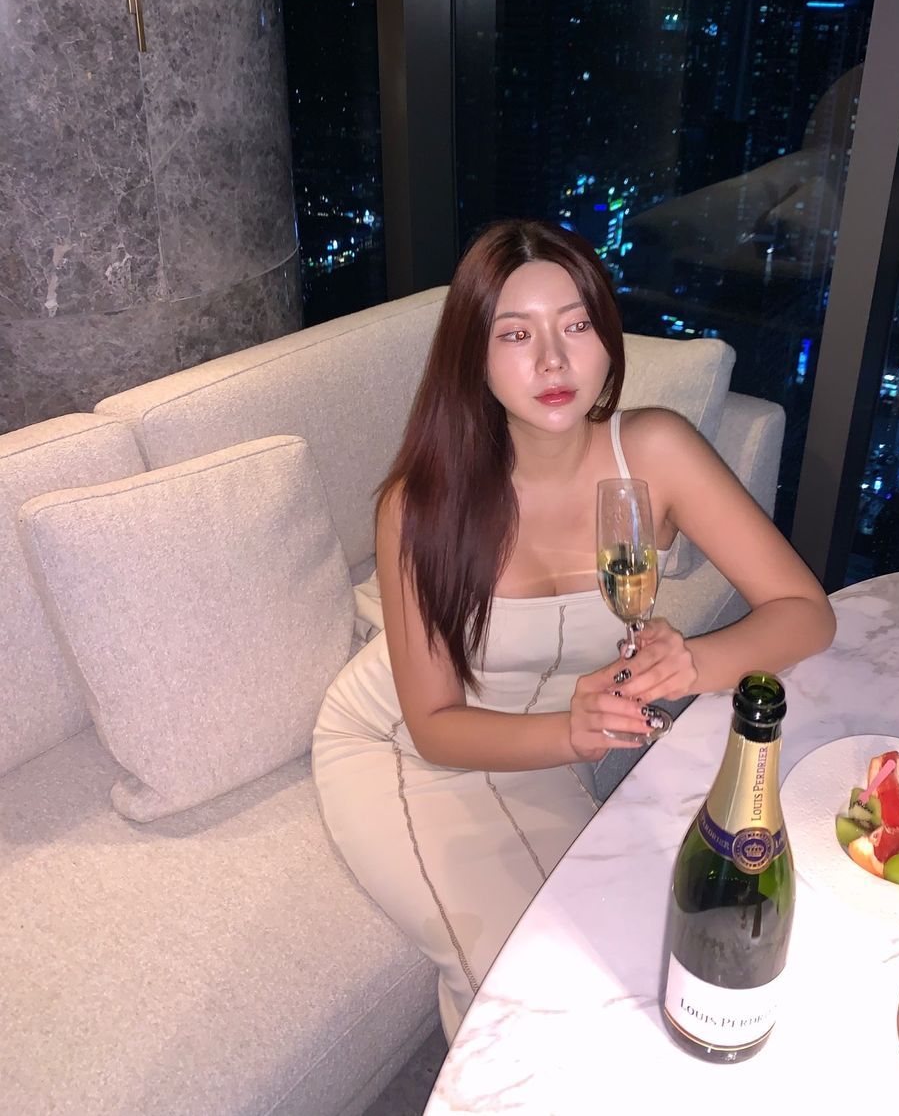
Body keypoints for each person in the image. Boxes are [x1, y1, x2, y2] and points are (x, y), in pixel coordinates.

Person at [312, 219, 835, 1041]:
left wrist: (691, 663)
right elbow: (434, 726)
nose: (553, 361)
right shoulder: (420, 505)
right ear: (474, 358)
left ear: (607, 336)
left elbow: (806, 611)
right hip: (405, 751)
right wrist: (571, 731)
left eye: (576, 324)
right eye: (516, 334)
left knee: (637, 951)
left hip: (546, 746)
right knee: (522, 991)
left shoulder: (654, 452)